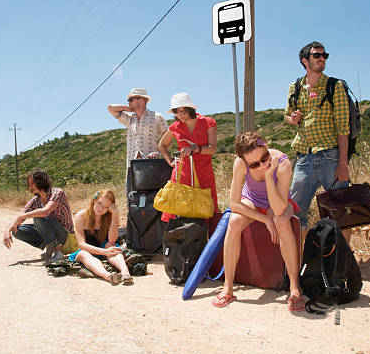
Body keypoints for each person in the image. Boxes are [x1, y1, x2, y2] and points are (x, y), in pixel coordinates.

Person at [213, 132, 304, 312]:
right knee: (234, 221)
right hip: (253, 202)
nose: (262, 165)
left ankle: (295, 287)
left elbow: (278, 208)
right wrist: (264, 219)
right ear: (245, 162)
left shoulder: (282, 163)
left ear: (267, 147)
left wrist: (269, 176)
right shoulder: (240, 164)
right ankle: (228, 287)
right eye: (255, 164)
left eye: (264, 158)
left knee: (282, 221)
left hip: (278, 202)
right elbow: (234, 203)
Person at [284, 41, 352, 243]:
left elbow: (343, 127)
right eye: (317, 55)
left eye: (324, 55)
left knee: (342, 213)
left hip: (330, 157)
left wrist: (343, 163)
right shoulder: (295, 87)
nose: (322, 58)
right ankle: (302, 258)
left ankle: (342, 260)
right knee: (294, 214)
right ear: (305, 61)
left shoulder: (335, 86)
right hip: (303, 157)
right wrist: (292, 119)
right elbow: (286, 115)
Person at [158, 92, 218, 221]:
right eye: (176, 112)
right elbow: (162, 145)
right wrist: (170, 162)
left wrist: (195, 149)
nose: (180, 115)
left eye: (183, 111)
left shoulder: (208, 122)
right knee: (177, 209)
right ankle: (178, 239)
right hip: (182, 173)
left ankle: (209, 240)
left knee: (206, 208)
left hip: (204, 172)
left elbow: (212, 149)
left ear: (190, 109)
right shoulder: (175, 127)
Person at [3, 169, 73, 261]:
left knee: (39, 217)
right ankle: (50, 245)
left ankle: (57, 250)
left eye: (32, 183)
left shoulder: (57, 193)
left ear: (40, 182)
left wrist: (23, 216)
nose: (29, 187)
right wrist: (7, 231)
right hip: (49, 232)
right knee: (17, 230)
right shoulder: (36, 200)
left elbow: (45, 211)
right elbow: (19, 217)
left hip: (64, 235)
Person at [107, 88, 168, 193]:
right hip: (132, 166)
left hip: (150, 165)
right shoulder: (130, 119)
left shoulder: (157, 117)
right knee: (132, 201)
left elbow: (168, 137)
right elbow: (110, 108)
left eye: (131, 99)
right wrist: (129, 108)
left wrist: (158, 152)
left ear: (142, 99)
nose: (128, 102)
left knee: (152, 200)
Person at [68, 190, 133, 285]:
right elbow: (81, 245)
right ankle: (107, 276)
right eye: (99, 203)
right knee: (83, 254)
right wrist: (104, 252)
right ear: (94, 200)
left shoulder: (109, 216)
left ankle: (125, 273)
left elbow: (112, 239)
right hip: (88, 250)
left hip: (105, 248)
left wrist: (115, 215)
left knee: (111, 245)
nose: (101, 208)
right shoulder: (81, 216)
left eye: (106, 207)